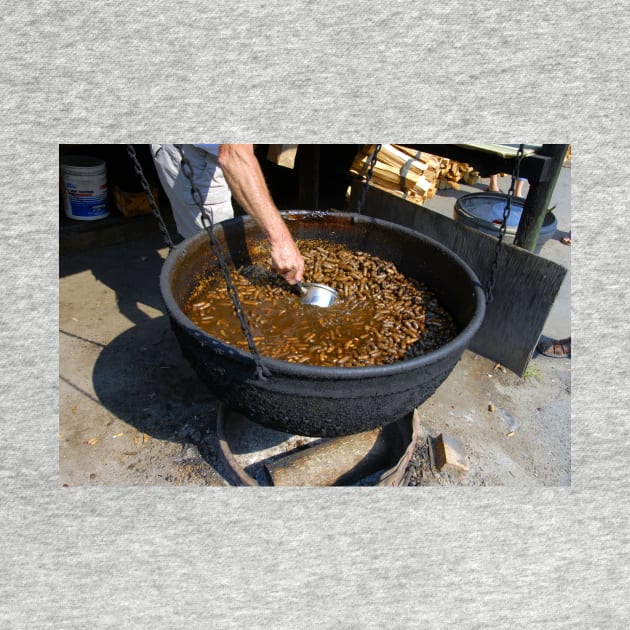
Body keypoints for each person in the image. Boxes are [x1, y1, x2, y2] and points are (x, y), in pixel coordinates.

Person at [151, 144, 304, 285]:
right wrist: (281, 241)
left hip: (222, 149)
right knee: (217, 259)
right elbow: (233, 154)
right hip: (193, 152)